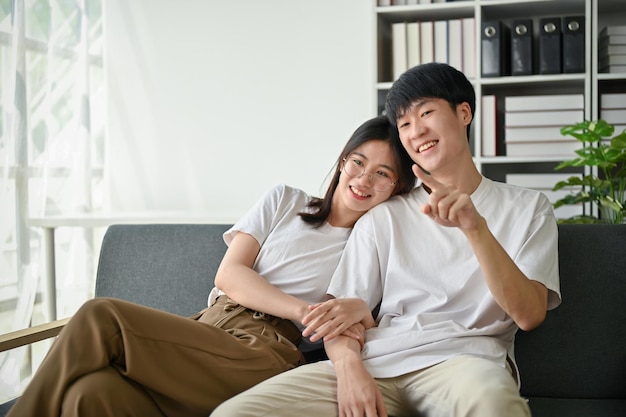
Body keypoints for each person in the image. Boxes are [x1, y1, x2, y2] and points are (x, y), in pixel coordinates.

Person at [211, 62, 562, 417]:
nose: (416, 131)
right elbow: (339, 316)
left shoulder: (528, 207)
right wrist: (350, 371)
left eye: (426, 113)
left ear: (464, 113)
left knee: (495, 409)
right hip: (375, 362)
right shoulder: (384, 215)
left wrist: (475, 228)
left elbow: (529, 314)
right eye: (405, 123)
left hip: (465, 363)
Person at [7, 115, 416, 417]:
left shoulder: (372, 247)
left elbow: (355, 321)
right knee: (91, 394)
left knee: (101, 316)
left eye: (383, 174)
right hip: (208, 326)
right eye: (358, 162)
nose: (363, 179)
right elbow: (229, 274)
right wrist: (303, 309)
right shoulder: (286, 200)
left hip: (265, 348)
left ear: (396, 189)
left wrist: (310, 319)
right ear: (343, 161)